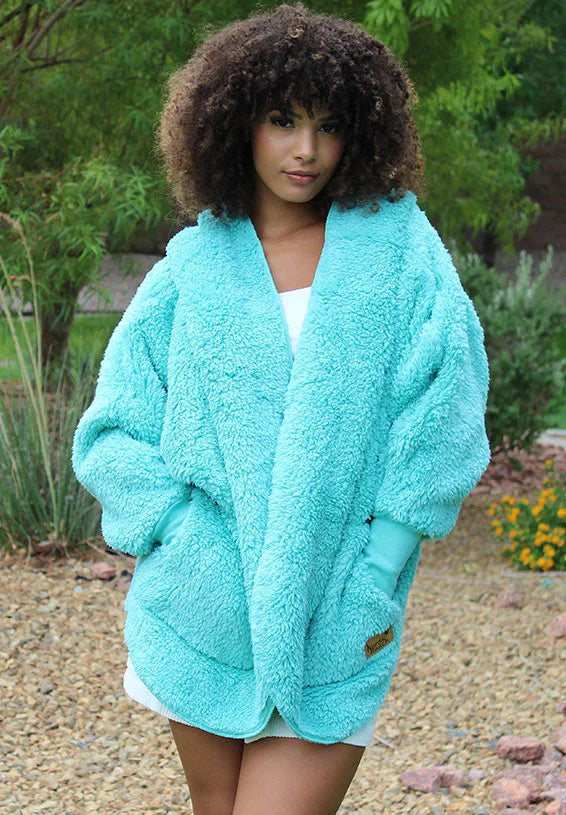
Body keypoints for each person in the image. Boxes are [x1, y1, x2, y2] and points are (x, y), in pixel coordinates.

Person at [71, 3, 491, 814]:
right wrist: (176, 533)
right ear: (235, 122)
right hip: (204, 611)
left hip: (336, 613)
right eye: (283, 120)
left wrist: (377, 570)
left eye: (329, 126)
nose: (307, 150)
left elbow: (447, 410)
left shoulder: (398, 253)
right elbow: (115, 428)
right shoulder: (191, 269)